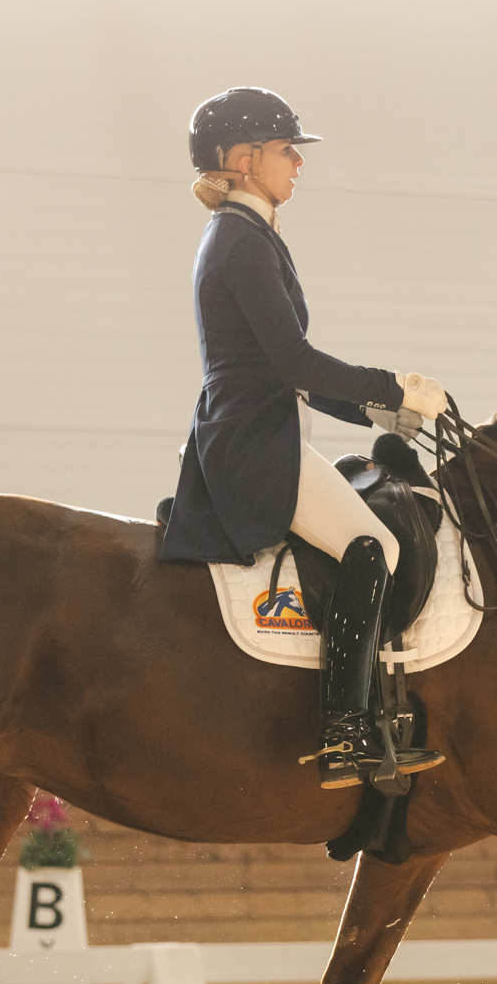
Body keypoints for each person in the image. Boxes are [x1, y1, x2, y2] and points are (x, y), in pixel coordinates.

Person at [159, 86, 447, 791]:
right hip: (253, 443)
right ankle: (345, 733)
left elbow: (284, 371)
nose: (298, 161)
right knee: (373, 545)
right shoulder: (239, 240)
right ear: (244, 158)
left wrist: (379, 416)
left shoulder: (250, 236)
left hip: (261, 428)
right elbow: (293, 362)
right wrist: (392, 385)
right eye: (288, 149)